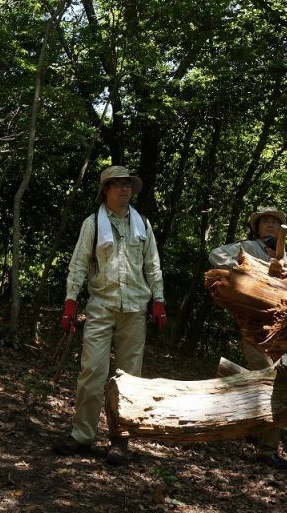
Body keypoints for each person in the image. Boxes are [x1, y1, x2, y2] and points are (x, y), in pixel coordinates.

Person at [53, 165, 167, 465]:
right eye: (118, 184)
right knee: (92, 372)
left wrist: (158, 300)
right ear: (106, 190)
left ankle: (120, 440)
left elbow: (152, 264)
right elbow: (79, 263)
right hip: (101, 307)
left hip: (135, 310)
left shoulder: (142, 223)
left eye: (128, 184)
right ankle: (82, 435)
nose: (125, 189)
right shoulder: (93, 223)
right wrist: (70, 302)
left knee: (130, 380)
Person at [208, 206, 287, 471]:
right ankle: (266, 447)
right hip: (253, 326)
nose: (270, 225)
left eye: (274, 222)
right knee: (269, 378)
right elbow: (215, 254)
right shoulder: (248, 247)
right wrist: (245, 270)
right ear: (257, 228)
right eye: (265, 221)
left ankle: (257, 433)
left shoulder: (283, 255)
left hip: (278, 329)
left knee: (275, 380)